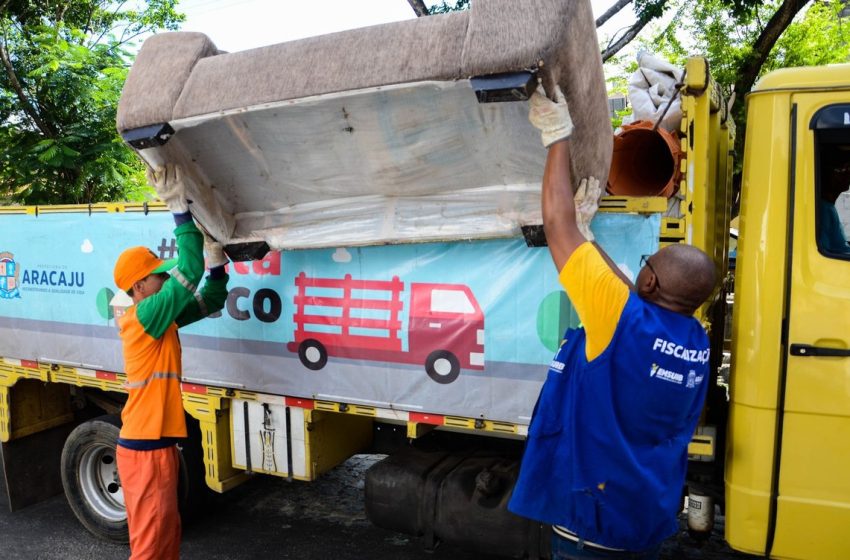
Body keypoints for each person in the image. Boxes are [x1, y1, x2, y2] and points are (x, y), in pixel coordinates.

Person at [508, 85, 717, 559]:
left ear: (649, 283)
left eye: (647, 263)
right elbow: (626, 292)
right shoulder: (694, 340)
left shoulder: (619, 318)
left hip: (593, 524)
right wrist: (588, 238)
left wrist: (557, 137)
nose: (638, 270)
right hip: (644, 517)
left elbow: (555, 224)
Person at [112, 164, 230, 559]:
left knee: (167, 539)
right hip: (144, 451)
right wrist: (178, 208)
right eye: (158, 277)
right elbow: (189, 268)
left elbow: (210, 299)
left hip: (157, 449)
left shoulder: (161, 320)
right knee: (149, 548)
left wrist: (217, 263)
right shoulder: (144, 317)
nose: (164, 280)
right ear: (140, 287)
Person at [818, 152, 850, 255]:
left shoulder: (828, 207)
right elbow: (827, 253)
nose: (847, 174)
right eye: (843, 170)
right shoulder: (822, 211)